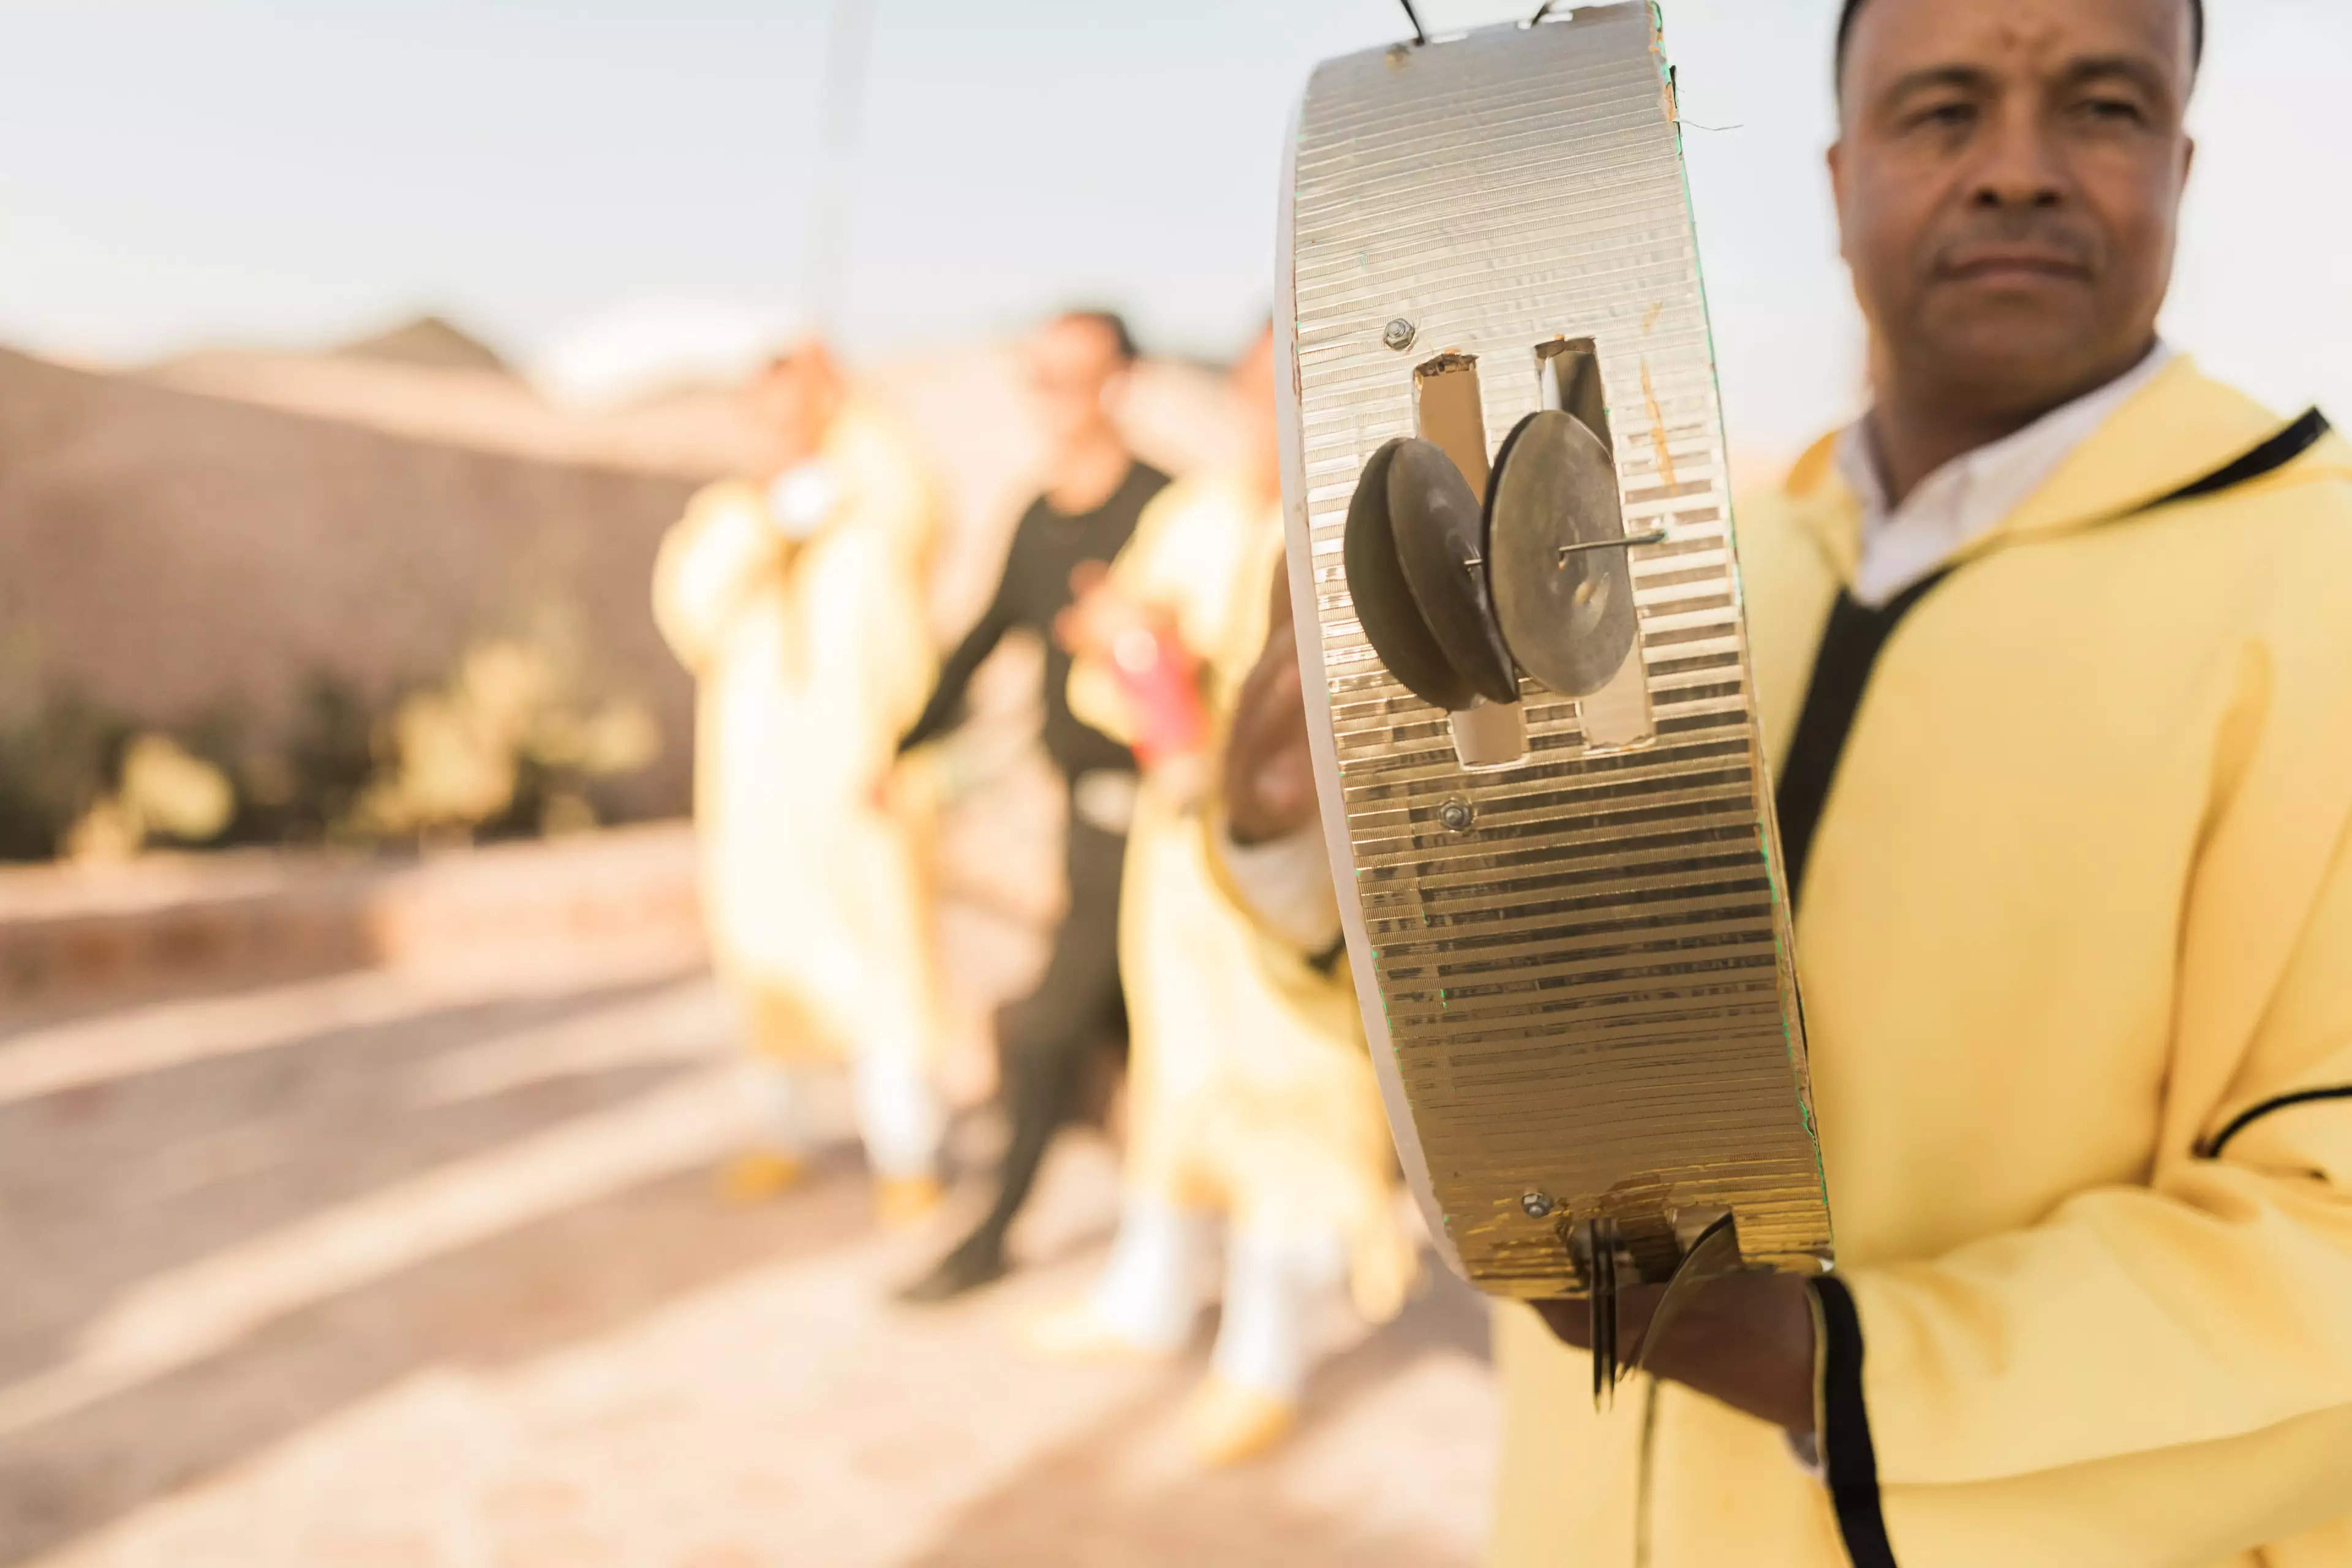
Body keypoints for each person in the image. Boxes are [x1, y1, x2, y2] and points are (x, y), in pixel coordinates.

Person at [1231, 1, 2352, 1562]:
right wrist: (1303, 853)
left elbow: (2333, 1249)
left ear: (2179, 159)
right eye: (1943, 109)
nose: (2017, 169)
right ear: (1838, 180)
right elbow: (1498, 1057)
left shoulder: (2320, 588)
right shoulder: (1689, 581)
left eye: (2098, 106)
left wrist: (1826, 1356)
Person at [1036, 325, 1417, 1466]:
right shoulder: (1196, 514)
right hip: (1179, 867)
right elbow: (1118, 644)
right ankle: (1147, 1295)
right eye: (1260, 393)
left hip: (1302, 883)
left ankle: (1267, 1355)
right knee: (1181, 1079)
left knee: (1293, 1099)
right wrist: (1122, 644)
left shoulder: (1374, 525)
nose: (1274, 415)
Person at [897, 311, 1172, 1302]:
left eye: (1074, 377)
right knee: (1125, 1039)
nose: (1055, 400)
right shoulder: (1035, 516)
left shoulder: (1164, 509)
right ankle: (1158, 1256)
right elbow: (983, 639)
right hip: (1082, 823)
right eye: (1040, 379)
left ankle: (994, 1237)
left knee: (1055, 1028)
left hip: (1151, 821)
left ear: (1122, 382)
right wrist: (902, 746)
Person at [653, 341, 949, 1223]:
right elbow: (691, 612)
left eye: (805, 411)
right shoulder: (724, 516)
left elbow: (921, 508)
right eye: (773, 414)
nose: (788, 429)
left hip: (859, 779)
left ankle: (909, 1151)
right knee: (767, 956)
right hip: (756, 791)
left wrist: (852, 416)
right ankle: (783, 1133)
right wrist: (765, 518)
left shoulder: (873, 507)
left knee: (883, 958)